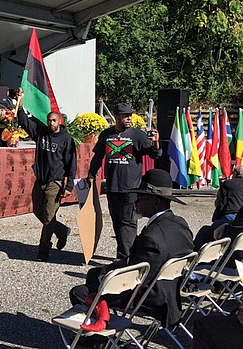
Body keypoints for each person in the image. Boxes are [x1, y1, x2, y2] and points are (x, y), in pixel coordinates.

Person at [70, 169, 194, 329]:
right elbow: (140, 262)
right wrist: (111, 267)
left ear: (156, 201)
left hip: (149, 298)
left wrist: (105, 280)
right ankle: (101, 322)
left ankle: (96, 336)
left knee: (79, 292)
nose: (136, 202)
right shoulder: (180, 224)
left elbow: (137, 277)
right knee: (94, 273)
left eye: (140, 197)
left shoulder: (152, 236)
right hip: (171, 290)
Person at [87, 102, 161, 259]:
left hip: (132, 188)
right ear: (117, 117)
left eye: (130, 115)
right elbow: (98, 157)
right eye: (125, 116)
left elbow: (155, 155)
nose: (129, 118)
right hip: (113, 187)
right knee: (117, 222)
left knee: (128, 223)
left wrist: (155, 143)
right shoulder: (107, 135)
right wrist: (91, 174)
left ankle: (125, 257)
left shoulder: (137, 135)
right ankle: (126, 255)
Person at [17, 105, 76, 262]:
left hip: (54, 183)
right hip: (40, 180)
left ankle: (43, 250)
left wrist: (69, 185)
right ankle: (61, 230)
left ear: (59, 122)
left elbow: (72, 164)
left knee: (49, 216)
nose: (51, 123)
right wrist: (20, 104)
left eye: (54, 120)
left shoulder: (66, 139)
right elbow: (24, 122)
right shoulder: (41, 134)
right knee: (38, 211)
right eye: (49, 120)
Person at [194, 165, 243, 250]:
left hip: (231, 215)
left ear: (235, 173)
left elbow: (220, 203)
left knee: (208, 231)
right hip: (240, 218)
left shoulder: (228, 184)